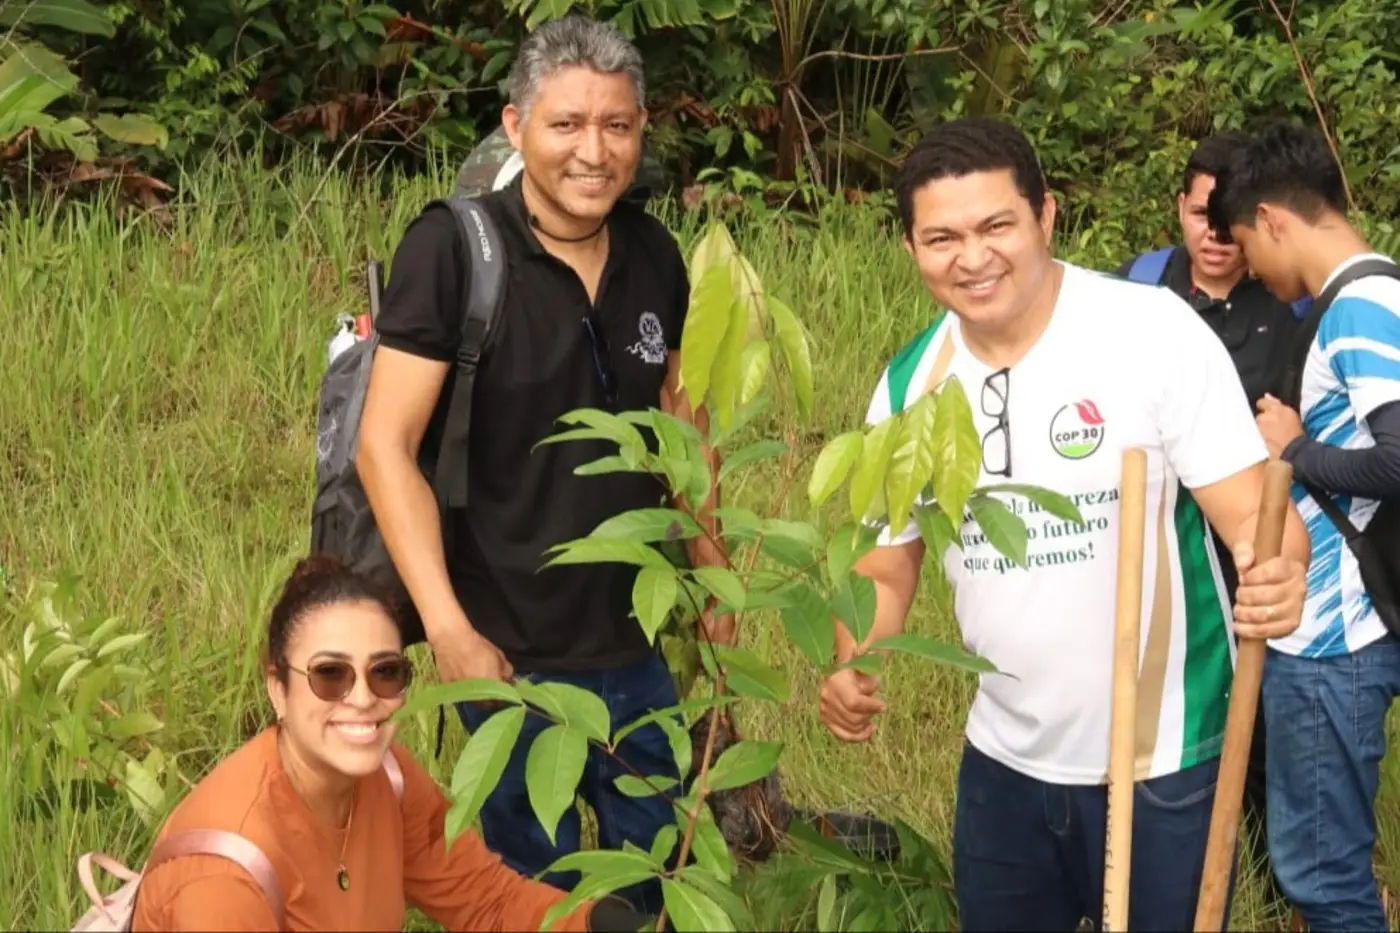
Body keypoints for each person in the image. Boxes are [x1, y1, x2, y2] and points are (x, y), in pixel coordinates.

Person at [817, 116, 1312, 932]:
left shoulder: (1149, 334)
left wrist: (1278, 574)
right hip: (1004, 760)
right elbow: (885, 559)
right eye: (941, 237)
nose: (972, 258)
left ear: (1045, 217)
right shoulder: (911, 381)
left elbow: (1257, 519)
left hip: (1163, 759)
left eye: (995, 226)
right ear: (910, 248)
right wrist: (851, 663)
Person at [355, 14, 731, 914]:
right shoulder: (454, 250)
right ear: (517, 128)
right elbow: (384, 445)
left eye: (617, 125)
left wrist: (715, 577)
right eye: (566, 125)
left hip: (636, 641)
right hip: (506, 648)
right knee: (534, 890)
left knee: (658, 868)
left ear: (641, 131)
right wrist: (448, 630)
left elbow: (686, 426)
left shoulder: (655, 255)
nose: (592, 151)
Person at [129, 555, 649, 931]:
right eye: (330, 674)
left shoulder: (388, 779)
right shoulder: (224, 877)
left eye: (385, 672)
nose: (361, 699)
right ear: (277, 690)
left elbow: (486, 902)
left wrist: (597, 923)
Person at [1207, 121, 1400, 933]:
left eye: (1249, 242)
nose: (1250, 265)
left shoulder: (1361, 305)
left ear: (1275, 219)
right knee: (1323, 864)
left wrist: (1295, 446)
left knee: (1319, 872)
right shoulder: (1379, 293)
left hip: (1334, 638)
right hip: (1342, 627)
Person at [1115, 131, 1305, 885]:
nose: (1215, 235)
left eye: (1229, 220)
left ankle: (1252, 861)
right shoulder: (1137, 293)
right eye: (1201, 214)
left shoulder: (1286, 306)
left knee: (1254, 707)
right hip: (1147, 535)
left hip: (1244, 540)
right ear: (1180, 211)